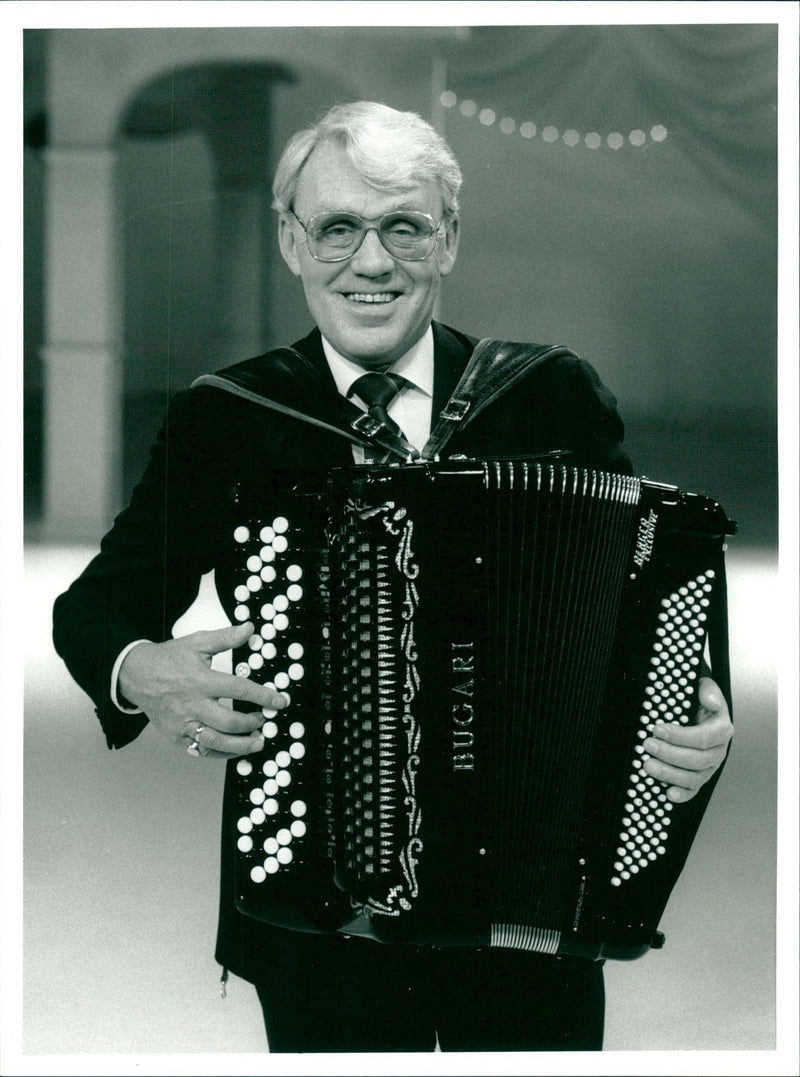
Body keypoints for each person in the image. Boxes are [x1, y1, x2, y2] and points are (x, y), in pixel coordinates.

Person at [52, 100, 733, 1053]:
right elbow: (94, 608)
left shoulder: (550, 395)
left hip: (530, 918)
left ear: (447, 239)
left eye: (403, 227)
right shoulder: (231, 416)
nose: (370, 262)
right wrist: (139, 668)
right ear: (291, 241)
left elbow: (646, 605)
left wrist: (701, 709)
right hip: (319, 918)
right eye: (336, 227)